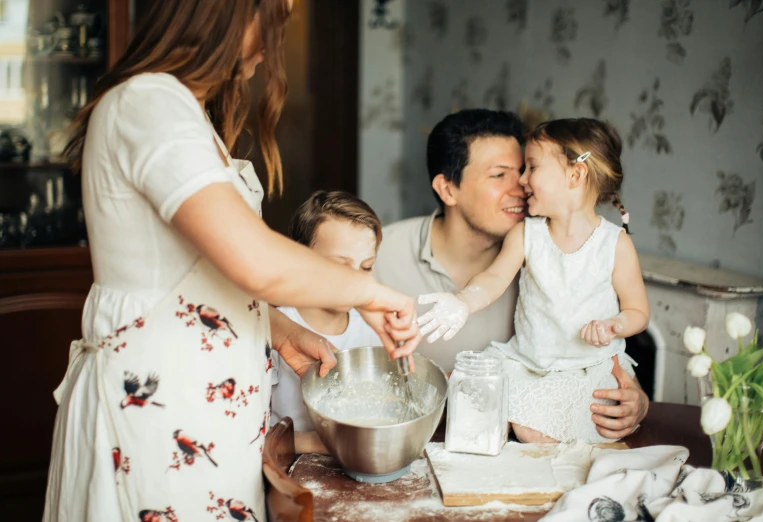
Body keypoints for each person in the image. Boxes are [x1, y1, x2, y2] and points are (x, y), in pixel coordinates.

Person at [43, 2, 419, 520]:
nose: (274, 43)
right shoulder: (149, 103)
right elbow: (250, 258)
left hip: (209, 414)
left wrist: (278, 327)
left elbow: (193, 277)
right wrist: (371, 292)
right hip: (162, 405)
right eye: (272, 18)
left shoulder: (189, 114)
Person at [374, 109, 648, 441]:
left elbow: (617, 334)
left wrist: (636, 400)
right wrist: (462, 303)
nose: (520, 184)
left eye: (526, 170)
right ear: (448, 190)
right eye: (499, 175)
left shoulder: (582, 244)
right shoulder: (377, 256)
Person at [270, 191, 383, 432]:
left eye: (366, 267)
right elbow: (254, 436)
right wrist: (315, 445)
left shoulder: (372, 333)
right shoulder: (274, 330)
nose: (354, 280)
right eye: (338, 265)